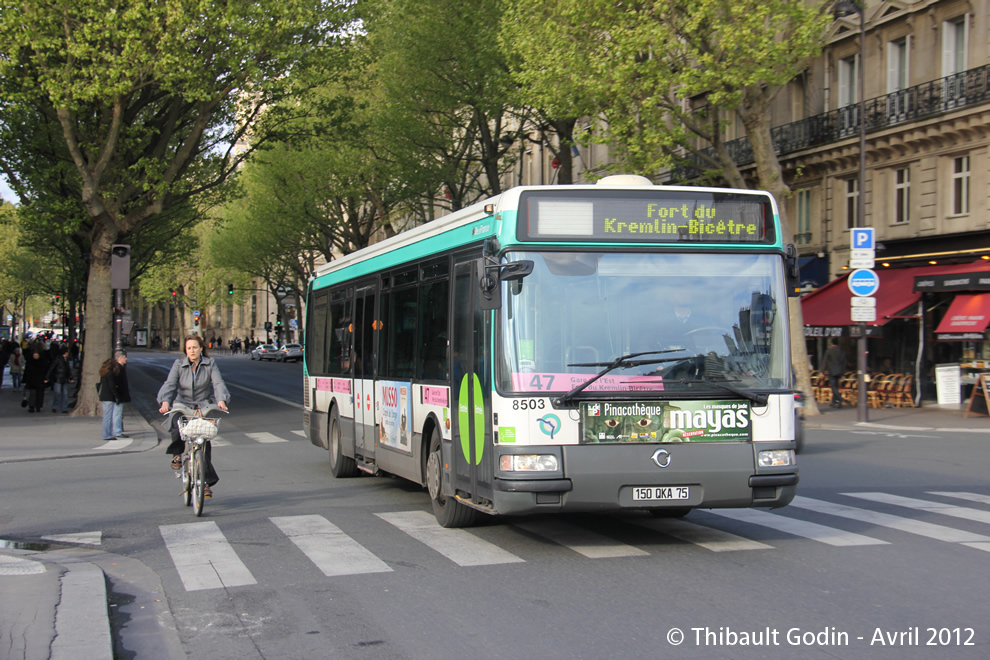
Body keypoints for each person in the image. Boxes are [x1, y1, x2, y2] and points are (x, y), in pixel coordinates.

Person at [157, 335, 230, 498]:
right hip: (182, 404)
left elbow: (218, 383)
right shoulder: (179, 365)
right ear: (185, 350)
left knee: (204, 440)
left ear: (201, 348)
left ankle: (205, 482)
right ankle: (177, 454)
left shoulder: (210, 364)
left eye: (195, 347)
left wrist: (221, 400)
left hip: (202, 405)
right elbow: (169, 384)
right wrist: (165, 402)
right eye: (189, 348)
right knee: (177, 423)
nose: (192, 351)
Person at [99, 353, 129, 439]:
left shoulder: (104, 373)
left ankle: (109, 434)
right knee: (109, 417)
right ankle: (107, 435)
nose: (126, 359)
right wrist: (116, 396)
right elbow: (112, 386)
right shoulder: (111, 374)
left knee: (107, 416)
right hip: (109, 397)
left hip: (104, 397)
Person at [46, 345, 75, 413]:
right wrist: (47, 377)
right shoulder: (58, 359)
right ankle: (55, 406)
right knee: (58, 394)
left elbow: (68, 370)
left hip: (63, 379)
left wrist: (71, 377)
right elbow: (51, 368)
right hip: (58, 378)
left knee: (64, 394)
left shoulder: (65, 360)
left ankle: (63, 408)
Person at [821, 338, 847, 408]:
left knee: (834, 386)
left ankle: (840, 398)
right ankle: (834, 402)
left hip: (832, 371)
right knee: (836, 386)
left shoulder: (829, 351)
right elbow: (844, 363)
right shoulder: (841, 351)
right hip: (839, 371)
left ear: (832, 343)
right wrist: (843, 373)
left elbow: (825, 361)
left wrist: (822, 371)